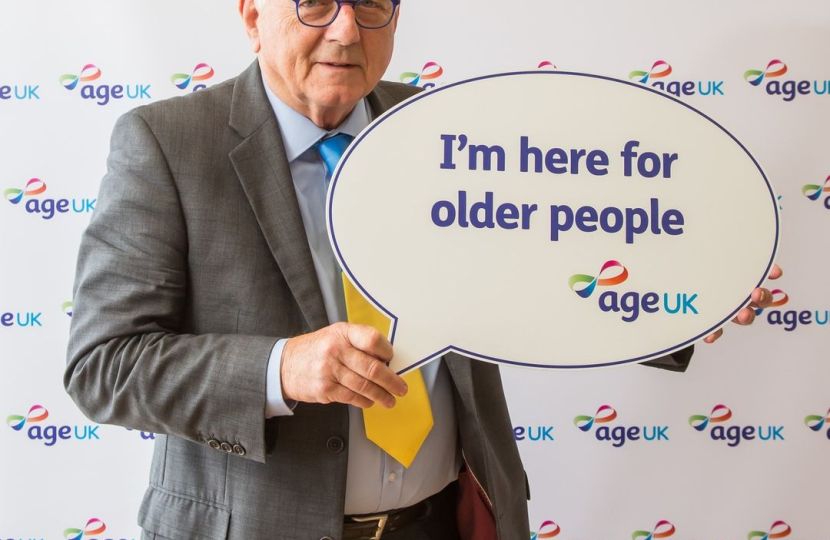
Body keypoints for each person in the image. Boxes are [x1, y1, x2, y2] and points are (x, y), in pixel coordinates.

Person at [63, 1, 781, 539]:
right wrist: (280, 370)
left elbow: (539, 276)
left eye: (373, 3)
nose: (346, 30)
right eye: (315, 1)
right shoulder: (166, 144)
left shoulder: (446, 132)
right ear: (252, 14)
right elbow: (103, 364)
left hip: (448, 521)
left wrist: (677, 305)